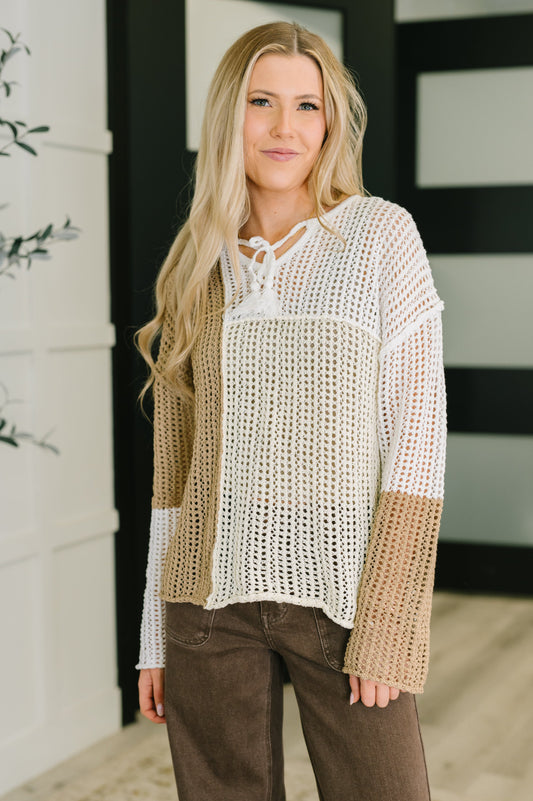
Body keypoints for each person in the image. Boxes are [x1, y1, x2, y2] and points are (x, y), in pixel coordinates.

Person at [134, 20, 446, 801]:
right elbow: (174, 473)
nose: (284, 127)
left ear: (330, 122)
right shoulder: (200, 259)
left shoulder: (377, 237)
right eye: (261, 101)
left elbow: (416, 443)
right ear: (227, 116)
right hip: (206, 601)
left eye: (306, 105)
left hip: (343, 595)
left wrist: (389, 621)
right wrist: (153, 636)